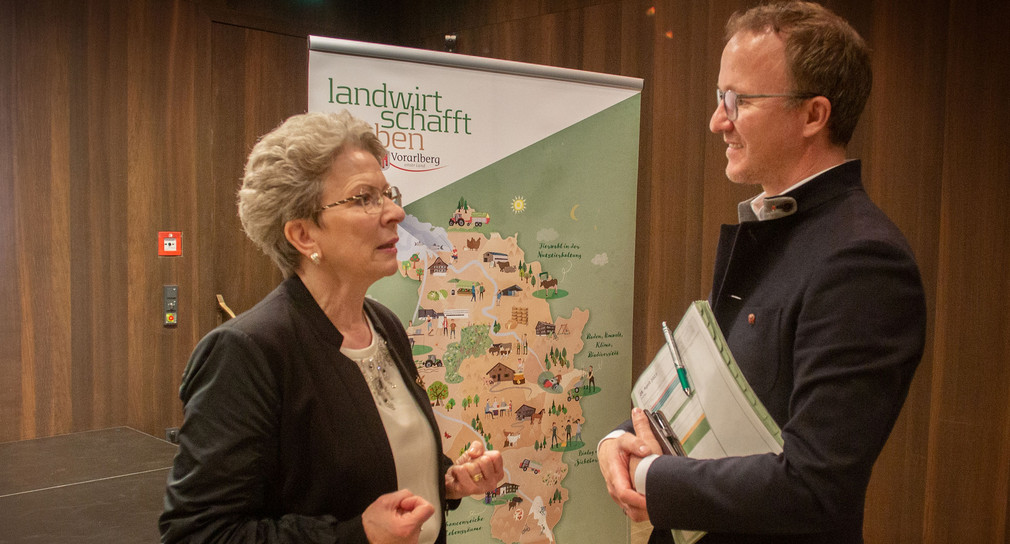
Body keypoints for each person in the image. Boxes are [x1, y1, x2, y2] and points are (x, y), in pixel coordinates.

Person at [598, 3, 926, 543]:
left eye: (739, 100)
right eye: (719, 97)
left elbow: (815, 485)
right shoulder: (779, 230)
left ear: (813, 115)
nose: (717, 120)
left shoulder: (863, 261)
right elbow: (708, 398)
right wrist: (621, 438)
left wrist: (653, 478)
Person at [159, 110, 504, 544]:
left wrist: (448, 481)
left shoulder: (385, 326)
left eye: (387, 193)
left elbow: (374, 466)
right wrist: (354, 536)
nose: (395, 211)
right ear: (303, 235)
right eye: (364, 198)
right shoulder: (247, 352)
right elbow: (198, 533)